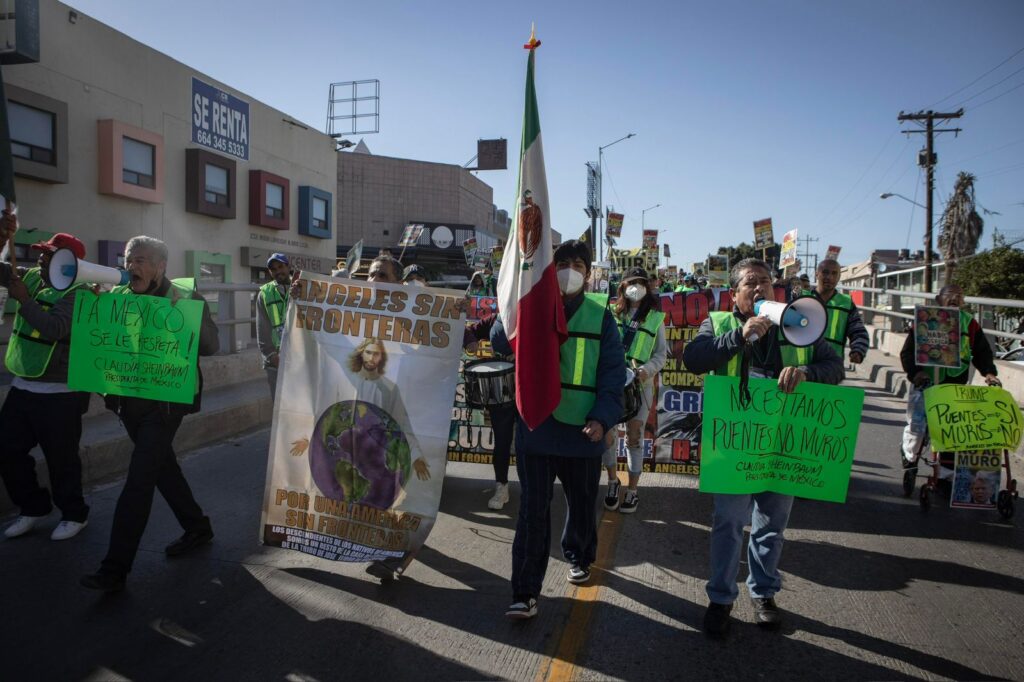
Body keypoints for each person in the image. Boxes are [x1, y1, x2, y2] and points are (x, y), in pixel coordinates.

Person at [682, 258, 843, 638]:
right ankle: (721, 599)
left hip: (782, 444)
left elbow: (834, 367)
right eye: (751, 284)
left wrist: (807, 373)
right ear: (735, 295)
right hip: (735, 448)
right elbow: (693, 358)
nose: (760, 290)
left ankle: (764, 593)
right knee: (728, 522)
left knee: (772, 525)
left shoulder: (798, 327)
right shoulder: (719, 324)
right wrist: (739, 336)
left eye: (766, 283)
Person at [491, 239, 625, 619]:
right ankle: (525, 591)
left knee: (582, 504)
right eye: (562, 262)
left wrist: (602, 418)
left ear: (588, 272)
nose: (570, 270)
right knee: (533, 511)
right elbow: (499, 341)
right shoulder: (531, 303)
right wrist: (515, 299)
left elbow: (612, 374)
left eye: (578, 264)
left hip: (583, 431)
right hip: (537, 426)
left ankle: (579, 554)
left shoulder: (601, 316)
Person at [81, 236, 220, 592]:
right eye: (128, 259)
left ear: (160, 267)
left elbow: (211, 345)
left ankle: (114, 568)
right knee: (162, 469)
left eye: (140, 260)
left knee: (139, 480)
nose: (132, 266)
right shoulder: (118, 299)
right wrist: (96, 312)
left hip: (166, 405)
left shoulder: (185, 297)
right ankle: (197, 526)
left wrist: (185, 316)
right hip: (128, 403)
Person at [0, 227, 92, 541]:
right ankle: (33, 506)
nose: (40, 259)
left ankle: (74, 514)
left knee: (62, 459)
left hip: (60, 393)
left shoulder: (79, 293)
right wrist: (2, 236)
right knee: (7, 450)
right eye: (41, 253)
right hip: (23, 385)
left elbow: (56, 328)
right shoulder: (29, 278)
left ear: (69, 262)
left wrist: (25, 302)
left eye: (48, 254)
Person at [899, 284, 1000, 479]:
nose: (954, 299)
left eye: (959, 297)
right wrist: (916, 373)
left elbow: (982, 353)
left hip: (955, 387)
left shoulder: (969, 323)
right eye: (949, 296)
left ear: (963, 301)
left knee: (952, 432)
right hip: (926, 383)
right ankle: (909, 455)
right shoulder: (923, 320)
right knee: (917, 429)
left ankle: (945, 476)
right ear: (939, 299)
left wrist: (989, 373)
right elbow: (907, 352)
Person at [602, 267, 666, 514]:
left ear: (647, 287)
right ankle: (611, 481)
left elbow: (661, 354)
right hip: (612, 383)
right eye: (631, 282)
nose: (636, 287)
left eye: (641, 282)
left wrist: (646, 370)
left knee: (634, 436)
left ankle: (633, 490)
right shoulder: (611, 313)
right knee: (608, 435)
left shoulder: (655, 318)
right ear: (622, 286)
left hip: (640, 386)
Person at [463, 310, 517, 510]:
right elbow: (469, 331)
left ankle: (533, 488)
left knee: (529, 442)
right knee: (501, 442)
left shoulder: (535, 313)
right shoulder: (497, 317)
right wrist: (470, 341)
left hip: (528, 387)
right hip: (501, 389)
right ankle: (501, 487)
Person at [812, 259, 869, 365]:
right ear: (816, 274)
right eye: (825, 272)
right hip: (804, 366)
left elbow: (858, 331)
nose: (829, 277)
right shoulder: (803, 299)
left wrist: (858, 350)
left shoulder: (846, 304)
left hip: (831, 367)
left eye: (834, 273)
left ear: (839, 277)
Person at [256, 253, 291, 402]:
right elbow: (261, 328)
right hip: (276, 361)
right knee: (279, 407)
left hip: (300, 357)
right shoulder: (265, 294)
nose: (278, 271)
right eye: (274, 269)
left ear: (288, 267)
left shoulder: (302, 287)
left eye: (281, 266)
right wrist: (272, 356)